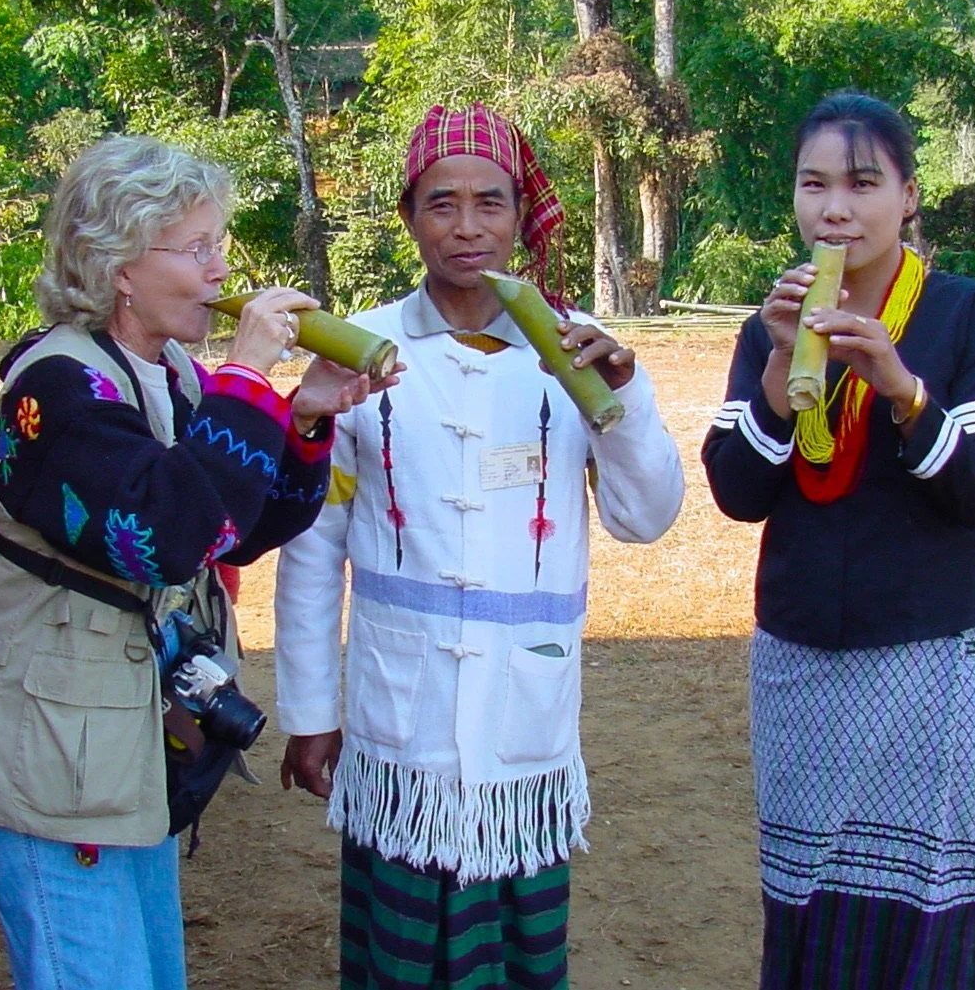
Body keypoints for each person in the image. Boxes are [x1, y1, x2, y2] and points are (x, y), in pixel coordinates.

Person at [0, 134, 398, 990]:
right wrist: (252, 373)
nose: (222, 271)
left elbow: (240, 529)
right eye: (196, 249)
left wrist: (299, 419)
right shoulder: (57, 389)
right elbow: (167, 534)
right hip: (51, 755)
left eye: (218, 245)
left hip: (118, 749)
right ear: (118, 264)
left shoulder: (174, 374)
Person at [273, 101, 684, 989]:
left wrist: (624, 390)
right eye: (441, 203)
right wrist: (309, 709)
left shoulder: (572, 351)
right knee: (400, 955)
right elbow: (315, 545)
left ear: (519, 212)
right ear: (409, 215)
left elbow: (645, 516)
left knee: (518, 957)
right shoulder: (359, 352)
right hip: (400, 731)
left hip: (522, 732)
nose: (467, 228)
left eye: (490, 202)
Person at [702, 92, 975, 988]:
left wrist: (901, 386)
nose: (834, 208)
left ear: (909, 196)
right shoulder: (774, 319)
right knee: (807, 904)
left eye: (861, 183)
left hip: (935, 656)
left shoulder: (968, 316)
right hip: (803, 657)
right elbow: (737, 491)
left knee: (924, 908)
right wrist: (774, 374)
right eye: (814, 184)